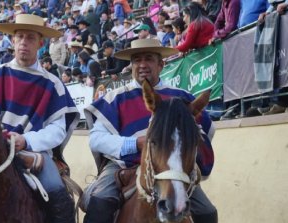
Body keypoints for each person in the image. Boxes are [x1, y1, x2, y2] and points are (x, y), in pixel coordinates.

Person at [82, 39, 217, 223]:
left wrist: (179, 151)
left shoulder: (182, 97)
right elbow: (96, 139)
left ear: (161, 64)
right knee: (100, 202)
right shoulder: (114, 98)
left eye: (149, 59)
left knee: (207, 212)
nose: (142, 64)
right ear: (131, 65)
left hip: (171, 168)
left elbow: (205, 132)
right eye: (137, 60)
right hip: (122, 165)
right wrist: (135, 144)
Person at [0, 14, 80, 223]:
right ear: (12, 41)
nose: (24, 43)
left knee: (58, 194)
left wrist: (26, 140)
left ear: (41, 43)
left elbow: (57, 130)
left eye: (30, 38)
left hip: (33, 151)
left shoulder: (53, 84)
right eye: (19, 37)